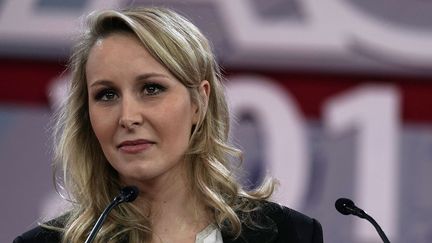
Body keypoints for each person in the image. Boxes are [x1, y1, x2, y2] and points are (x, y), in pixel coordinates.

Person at [14, 7, 323, 243]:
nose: (128, 117)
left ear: (199, 103)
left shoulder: (289, 235)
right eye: (106, 95)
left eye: (151, 89)